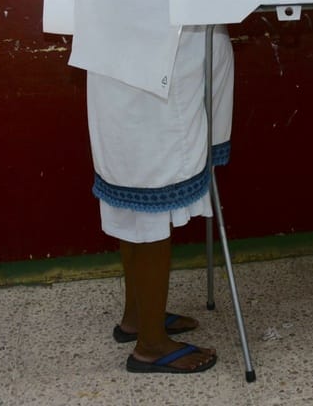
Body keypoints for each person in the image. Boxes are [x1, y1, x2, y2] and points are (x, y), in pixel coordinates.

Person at [86, 25, 233, 373]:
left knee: (133, 199)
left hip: (123, 56)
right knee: (150, 201)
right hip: (154, 64)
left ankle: (138, 316)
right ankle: (150, 345)